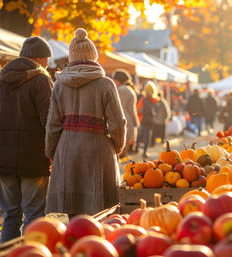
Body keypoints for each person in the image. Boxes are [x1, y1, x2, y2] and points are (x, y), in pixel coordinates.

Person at [45, 29, 126, 218]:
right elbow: (118, 123)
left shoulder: (59, 85)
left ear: (71, 57)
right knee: (101, 213)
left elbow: (52, 125)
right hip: (99, 149)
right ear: (93, 57)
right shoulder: (105, 84)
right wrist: (117, 146)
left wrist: (51, 152)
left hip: (67, 149)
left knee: (66, 212)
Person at [0, 36, 53, 243]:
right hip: (33, 159)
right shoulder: (41, 80)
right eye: (47, 59)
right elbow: (48, 122)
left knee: (10, 217)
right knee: (34, 215)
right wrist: (52, 154)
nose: (48, 64)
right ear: (40, 58)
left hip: (2, 159)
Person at [113, 69, 139, 159]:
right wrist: (135, 122)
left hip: (123, 119)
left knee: (120, 148)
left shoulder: (120, 90)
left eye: (114, 79)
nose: (112, 81)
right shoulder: (129, 90)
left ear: (118, 80)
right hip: (128, 119)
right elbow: (132, 110)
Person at [136, 81, 158, 158]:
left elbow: (138, 110)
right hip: (150, 121)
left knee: (142, 135)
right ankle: (144, 151)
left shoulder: (144, 99)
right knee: (147, 136)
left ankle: (137, 148)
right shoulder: (154, 100)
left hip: (144, 120)